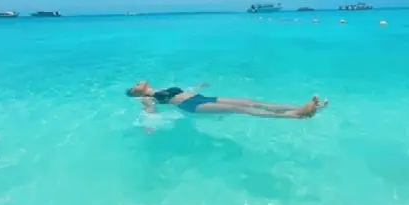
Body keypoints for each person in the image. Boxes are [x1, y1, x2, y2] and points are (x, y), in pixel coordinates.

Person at [126, 81, 327, 118]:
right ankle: (297, 115)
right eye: (134, 86)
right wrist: (149, 126)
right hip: (190, 106)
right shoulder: (146, 98)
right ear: (137, 93)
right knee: (239, 109)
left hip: (198, 96)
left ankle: (303, 107)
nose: (137, 83)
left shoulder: (161, 87)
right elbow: (150, 111)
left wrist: (198, 87)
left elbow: (183, 90)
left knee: (249, 101)